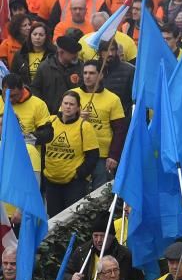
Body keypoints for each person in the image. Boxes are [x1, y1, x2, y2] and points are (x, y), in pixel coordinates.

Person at [70, 59, 126, 189]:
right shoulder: (72, 95)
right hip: (77, 153)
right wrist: (77, 116)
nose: (87, 76)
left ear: (100, 75)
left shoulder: (113, 99)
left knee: (99, 195)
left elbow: (120, 130)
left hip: (102, 155)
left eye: (92, 73)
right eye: (85, 73)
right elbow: (60, 120)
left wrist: (114, 156)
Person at [40, 90, 99, 214]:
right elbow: (43, 148)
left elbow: (93, 157)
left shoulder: (84, 126)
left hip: (73, 184)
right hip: (51, 182)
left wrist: (78, 174)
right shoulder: (50, 122)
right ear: (61, 105)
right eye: (65, 103)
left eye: (72, 104)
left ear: (78, 108)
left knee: (70, 219)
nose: (68, 107)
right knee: (53, 219)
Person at [0, 72, 52, 180]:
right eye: (6, 95)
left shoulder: (38, 104)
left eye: (13, 96)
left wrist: (27, 137)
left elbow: (48, 133)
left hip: (29, 162)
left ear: (22, 89)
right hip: (4, 160)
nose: (9, 100)